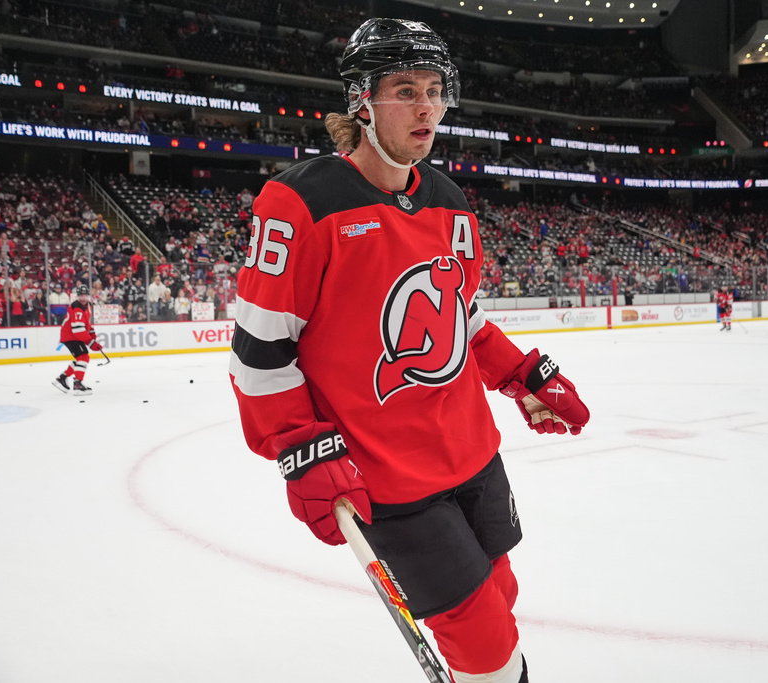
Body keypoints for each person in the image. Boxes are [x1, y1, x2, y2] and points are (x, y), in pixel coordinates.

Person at [228, 19, 590, 683]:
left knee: (500, 602)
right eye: (404, 90)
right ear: (362, 101)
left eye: (434, 89)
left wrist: (521, 374)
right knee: (484, 643)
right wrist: (301, 446)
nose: (426, 107)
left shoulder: (450, 203)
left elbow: (465, 317)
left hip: (473, 456)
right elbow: (260, 351)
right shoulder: (300, 203)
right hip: (389, 481)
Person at [53, 284, 102, 396]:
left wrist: (91, 332)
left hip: (73, 335)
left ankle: (62, 378)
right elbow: (78, 329)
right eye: (81, 296)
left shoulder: (88, 305)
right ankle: (78, 384)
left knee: (81, 357)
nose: (84, 298)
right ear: (78, 296)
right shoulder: (77, 307)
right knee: (83, 356)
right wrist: (91, 342)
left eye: (85, 295)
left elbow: (85, 324)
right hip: (70, 336)